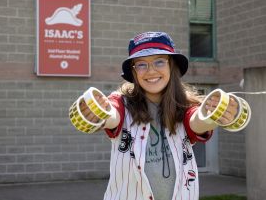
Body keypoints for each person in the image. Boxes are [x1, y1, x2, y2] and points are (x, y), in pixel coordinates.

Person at [77, 31, 238, 200]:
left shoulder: (185, 107)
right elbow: (112, 115)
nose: (151, 71)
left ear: (171, 65)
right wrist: (100, 112)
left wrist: (211, 115)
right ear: (133, 71)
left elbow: (197, 121)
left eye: (159, 61)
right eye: (141, 64)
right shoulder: (121, 103)